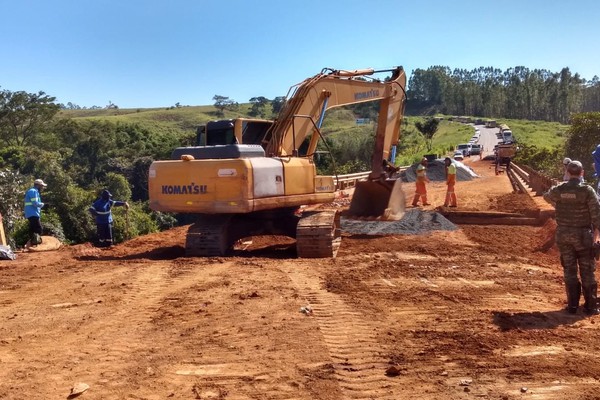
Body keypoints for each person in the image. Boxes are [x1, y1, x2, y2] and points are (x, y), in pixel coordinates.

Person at [543, 160, 600, 315]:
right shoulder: (587, 191)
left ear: (567, 172)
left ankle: (572, 306)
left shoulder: (559, 189)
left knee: (569, 269)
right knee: (587, 270)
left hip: (563, 235)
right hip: (583, 236)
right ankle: (590, 307)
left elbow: (546, 197)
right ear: (582, 173)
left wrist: (561, 203)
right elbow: (597, 215)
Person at [24, 179, 48, 246]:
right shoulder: (33, 191)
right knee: (38, 229)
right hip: (33, 213)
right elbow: (35, 203)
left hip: (31, 213)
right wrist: (42, 204)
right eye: (42, 186)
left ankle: (32, 244)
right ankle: (36, 244)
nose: (42, 187)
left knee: (32, 229)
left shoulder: (34, 191)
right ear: (38, 185)